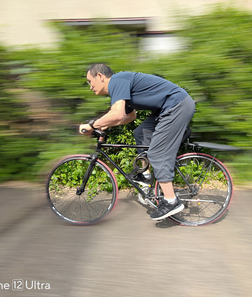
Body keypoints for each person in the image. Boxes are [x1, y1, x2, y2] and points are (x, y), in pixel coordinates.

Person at [79, 63, 195, 221]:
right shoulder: (119, 87)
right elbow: (129, 116)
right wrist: (102, 126)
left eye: (89, 81)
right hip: (166, 108)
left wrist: (92, 125)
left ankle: (171, 201)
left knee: (157, 153)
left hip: (177, 105)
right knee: (141, 133)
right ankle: (145, 175)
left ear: (100, 76)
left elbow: (117, 114)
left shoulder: (116, 81)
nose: (90, 86)